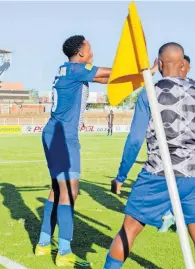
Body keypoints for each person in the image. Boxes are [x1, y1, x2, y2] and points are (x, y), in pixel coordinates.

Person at [103, 42, 195, 269]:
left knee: (129, 229)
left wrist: (121, 176)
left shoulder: (150, 93)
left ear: (159, 62)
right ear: (182, 63)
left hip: (158, 175)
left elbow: (135, 139)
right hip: (192, 177)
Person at [35, 35, 111, 267]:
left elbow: (107, 79)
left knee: (56, 191)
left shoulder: (68, 69)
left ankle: (43, 244)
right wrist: (143, 70)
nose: (92, 51)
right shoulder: (79, 69)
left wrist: (138, 77)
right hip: (63, 137)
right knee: (70, 192)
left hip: (53, 134)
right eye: (89, 48)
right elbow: (112, 73)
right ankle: (65, 252)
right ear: (80, 53)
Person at [157, 54, 195, 233]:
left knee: (182, 183)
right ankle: (170, 215)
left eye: (185, 66)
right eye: (180, 65)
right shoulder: (162, 88)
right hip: (166, 147)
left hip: (187, 149)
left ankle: (177, 217)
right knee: (169, 182)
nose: (182, 69)